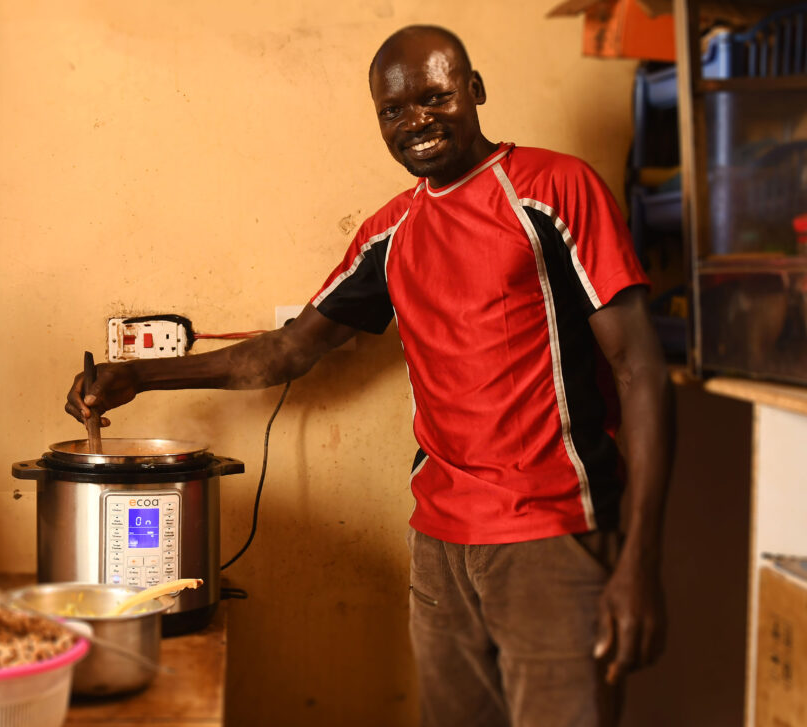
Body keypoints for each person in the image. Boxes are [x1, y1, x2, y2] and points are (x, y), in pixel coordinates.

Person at [66, 25, 674, 727]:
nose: (415, 121)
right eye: (394, 109)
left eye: (435, 97)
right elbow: (289, 350)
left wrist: (640, 560)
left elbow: (639, 370)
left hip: (553, 536)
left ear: (474, 91)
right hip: (439, 547)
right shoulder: (392, 232)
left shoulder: (552, 189)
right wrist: (139, 376)